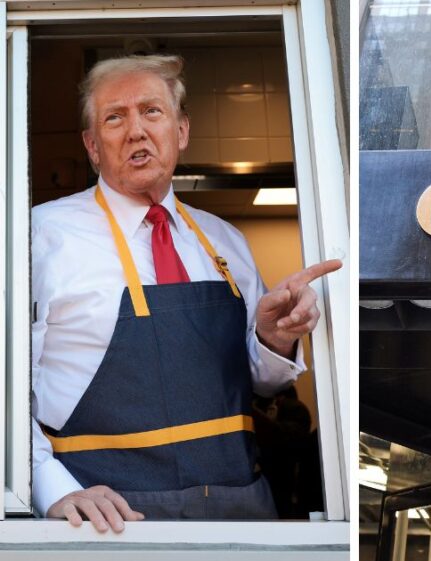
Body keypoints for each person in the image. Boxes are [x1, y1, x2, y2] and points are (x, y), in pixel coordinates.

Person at [30, 54, 341, 532]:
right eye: (115, 117)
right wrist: (50, 486)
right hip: (107, 523)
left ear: (181, 132)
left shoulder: (226, 241)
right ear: (92, 146)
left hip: (240, 518)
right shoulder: (38, 237)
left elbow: (260, 382)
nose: (136, 131)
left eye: (152, 112)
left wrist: (273, 338)